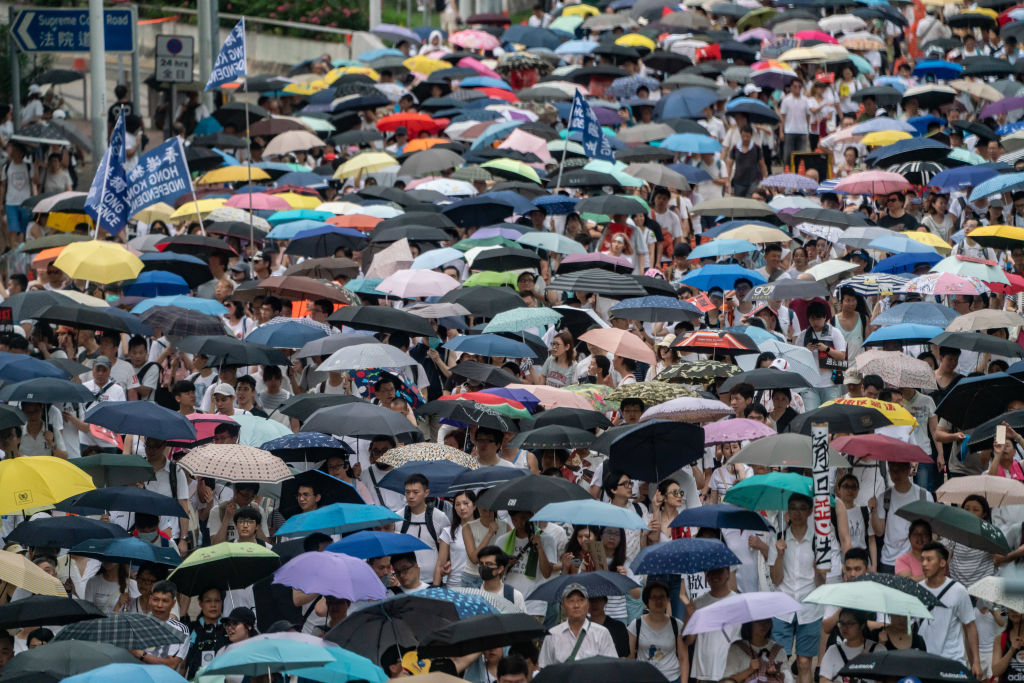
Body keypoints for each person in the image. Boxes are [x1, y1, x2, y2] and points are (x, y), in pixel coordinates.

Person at [769, 493, 826, 683]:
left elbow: (821, 584)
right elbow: (776, 579)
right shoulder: (778, 538)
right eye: (793, 507)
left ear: (810, 511)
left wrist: (818, 569)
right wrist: (779, 555)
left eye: (802, 508)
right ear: (787, 510)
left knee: (804, 662)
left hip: (810, 607)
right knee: (777, 663)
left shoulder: (819, 540)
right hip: (782, 606)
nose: (797, 512)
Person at [918, 542, 982, 680]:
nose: (924, 564)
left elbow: (970, 626)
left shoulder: (958, 590)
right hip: (923, 661)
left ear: (942, 563)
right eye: (922, 559)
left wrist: (976, 662)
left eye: (929, 559)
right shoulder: (917, 589)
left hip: (952, 662)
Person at [871, 461, 934, 574]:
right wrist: (874, 511)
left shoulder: (924, 496)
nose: (896, 473)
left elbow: (932, 531)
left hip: (916, 560)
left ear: (909, 469)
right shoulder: (884, 497)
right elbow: (879, 532)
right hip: (889, 561)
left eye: (900, 469)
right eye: (893, 470)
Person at [538, 583, 615, 667]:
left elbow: (611, 666)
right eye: (571, 601)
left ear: (588, 605)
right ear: (563, 606)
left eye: (581, 600)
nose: (576, 605)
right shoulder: (552, 635)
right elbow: (544, 668)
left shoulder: (602, 633)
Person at [627, 580, 688, 683]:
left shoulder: (677, 625)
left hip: (672, 679)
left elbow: (683, 658)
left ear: (667, 599)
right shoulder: (636, 624)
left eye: (662, 597)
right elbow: (630, 656)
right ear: (647, 601)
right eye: (654, 597)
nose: (658, 601)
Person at [399, 473, 449, 582]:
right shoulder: (398, 518)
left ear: (426, 493)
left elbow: (448, 549)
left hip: (434, 580)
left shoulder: (439, 517)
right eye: (407, 492)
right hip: (406, 581)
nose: (411, 496)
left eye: (415, 492)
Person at [132, 580, 190, 670]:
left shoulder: (179, 630)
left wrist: (141, 654)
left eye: (165, 601)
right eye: (156, 600)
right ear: (150, 600)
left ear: (173, 603)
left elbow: (171, 665)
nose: (159, 605)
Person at [720, 619, 793, 683]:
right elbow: (728, 680)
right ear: (749, 624)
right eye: (759, 621)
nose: (764, 625)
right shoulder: (737, 649)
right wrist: (749, 670)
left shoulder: (778, 650)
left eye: (767, 621)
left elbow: (788, 679)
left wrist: (778, 673)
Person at [818, 609, 879, 683]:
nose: (844, 627)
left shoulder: (877, 650)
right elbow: (823, 679)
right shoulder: (833, 650)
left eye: (850, 623)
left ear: (862, 625)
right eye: (841, 623)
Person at [435, 490, 478, 587]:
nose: (462, 508)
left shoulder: (485, 529)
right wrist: (435, 589)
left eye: (466, 503)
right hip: (455, 585)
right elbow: (440, 564)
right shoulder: (448, 531)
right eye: (458, 504)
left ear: (474, 506)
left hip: (479, 584)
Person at [185, 588, 229, 677]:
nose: (213, 605)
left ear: (222, 603)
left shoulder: (230, 628)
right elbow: (183, 665)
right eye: (208, 601)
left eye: (217, 601)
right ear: (200, 604)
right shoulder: (191, 629)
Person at [476, 545, 526, 612]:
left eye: (489, 564)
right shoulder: (473, 593)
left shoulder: (514, 596)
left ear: (500, 569)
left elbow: (522, 618)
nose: (484, 567)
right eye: (481, 564)